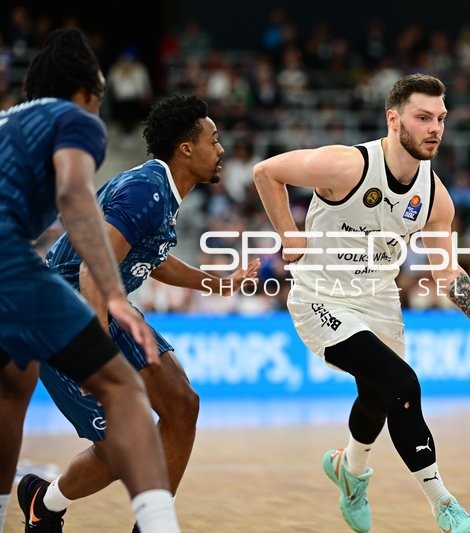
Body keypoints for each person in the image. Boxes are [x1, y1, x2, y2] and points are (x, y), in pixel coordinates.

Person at [253, 73, 470, 533]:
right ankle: (444, 506)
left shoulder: (436, 198)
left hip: (379, 300)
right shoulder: (347, 165)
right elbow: (266, 172)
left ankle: (349, 470)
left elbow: (446, 273)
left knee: (378, 396)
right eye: (423, 118)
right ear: (393, 119)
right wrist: (288, 233)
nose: (434, 128)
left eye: (440, 118)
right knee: (402, 383)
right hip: (322, 297)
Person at [18, 94, 260, 533]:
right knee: (120, 446)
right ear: (186, 148)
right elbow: (95, 267)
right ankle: (44, 501)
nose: (221, 148)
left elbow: (155, 258)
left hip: (99, 300)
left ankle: (151, 526)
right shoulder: (147, 190)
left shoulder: (162, 191)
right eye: (214, 139)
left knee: (182, 405)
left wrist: (218, 283)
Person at [0, 28, 180, 533]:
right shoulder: (76, 119)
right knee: (125, 393)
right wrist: (111, 291)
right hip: (8, 260)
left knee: (12, 386)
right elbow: (76, 196)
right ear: (90, 92)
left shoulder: (10, 122)